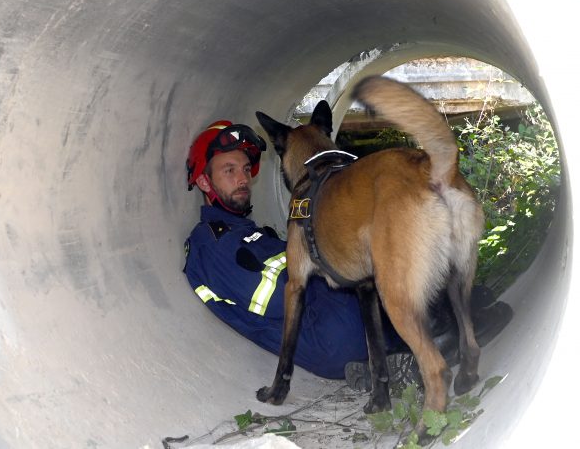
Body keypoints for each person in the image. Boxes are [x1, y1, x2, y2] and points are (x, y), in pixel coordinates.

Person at [182, 119, 512, 388]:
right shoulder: (212, 243)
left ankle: (435, 323)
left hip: (341, 319)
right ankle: (428, 342)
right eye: (229, 171)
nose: (242, 179)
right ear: (205, 183)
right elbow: (277, 302)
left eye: (244, 170)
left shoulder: (250, 233)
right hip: (331, 337)